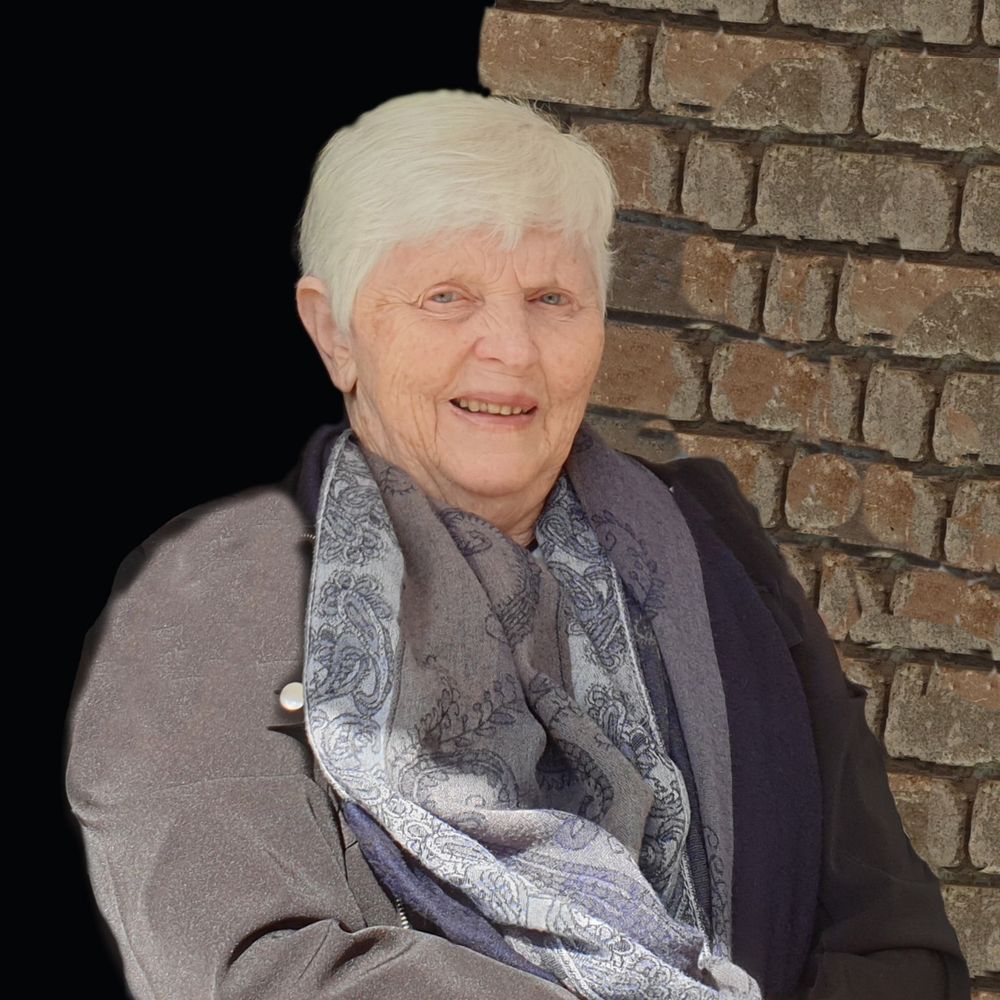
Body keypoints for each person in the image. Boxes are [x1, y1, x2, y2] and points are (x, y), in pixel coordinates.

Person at [64, 90, 970, 1000]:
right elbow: (266, 970)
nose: (510, 348)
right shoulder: (208, 602)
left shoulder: (713, 550)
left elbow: (892, 933)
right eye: (445, 297)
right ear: (334, 329)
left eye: (551, 298)